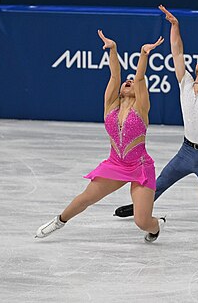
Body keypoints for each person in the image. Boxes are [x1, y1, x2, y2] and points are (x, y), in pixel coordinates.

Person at [114, 5, 198, 223]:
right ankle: (139, 208)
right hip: (186, 152)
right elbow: (177, 51)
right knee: (156, 185)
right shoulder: (185, 83)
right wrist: (175, 26)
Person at [35, 30, 166, 243]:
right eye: (127, 81)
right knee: (86, 197)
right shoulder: (110, 107)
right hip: (115, 164)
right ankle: (59, 221)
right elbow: (115, 75)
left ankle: (156, 225)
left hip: (140, 166)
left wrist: (144, 54)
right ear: (121, 90)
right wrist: (113, 49)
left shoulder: (141, 109)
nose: (129, 81)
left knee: (142, 221)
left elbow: (140, 77)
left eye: (132, 82)